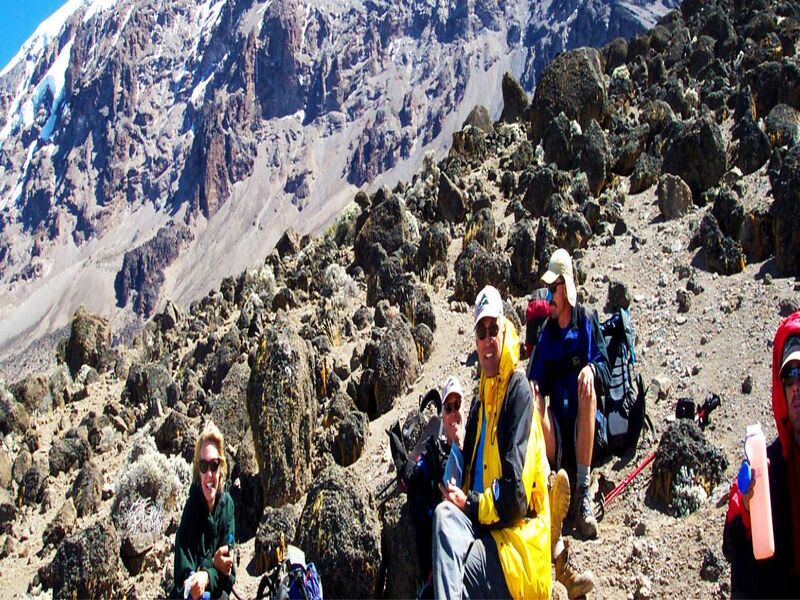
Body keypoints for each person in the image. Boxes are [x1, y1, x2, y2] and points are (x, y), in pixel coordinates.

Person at [432, 285, 550, 599]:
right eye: (481, 332)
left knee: (461, 573)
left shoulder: (517, 391)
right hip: (486, 526)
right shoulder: (483, 395)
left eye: (492, 329)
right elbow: (474, 473)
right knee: (443, 517)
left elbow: (513, 498)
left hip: (516, 540)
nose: (487, 340)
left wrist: (469, 504)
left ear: (503, 329)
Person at [528, 248, 609, 540]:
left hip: (584, 429)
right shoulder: (547, 333)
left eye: (553, 289)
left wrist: (591, 369)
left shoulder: (586, 320)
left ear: (566, 286)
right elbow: (535, 377)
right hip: (558, 434)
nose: (549, 297)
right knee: (534, 400)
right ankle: (550, 485)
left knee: (586, 387)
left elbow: (605, 367)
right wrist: (534, 390)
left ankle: (583, 490)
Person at [723, 312, 800, 597]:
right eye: (789, 375)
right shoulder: (770, 466)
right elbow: (730, 546)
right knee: (748, 554)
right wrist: (746, 505)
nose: (796, 386)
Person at [407, 375, 466, 595]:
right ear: (442, 414)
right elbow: (417, 500)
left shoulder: (477, 446)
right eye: (448, 408)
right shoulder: (433, 457)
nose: (453, 413)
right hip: (443, 549)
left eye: (457, 405)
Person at [172, 421, 236, 599]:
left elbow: (229, 575)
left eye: (214, 465)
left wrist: (207, 575)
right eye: (203, 466)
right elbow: (184, 584)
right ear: (197, 471)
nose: (209, 473)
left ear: (221, 469)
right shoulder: (190, 513)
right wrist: (213, 568)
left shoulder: (227, 506)